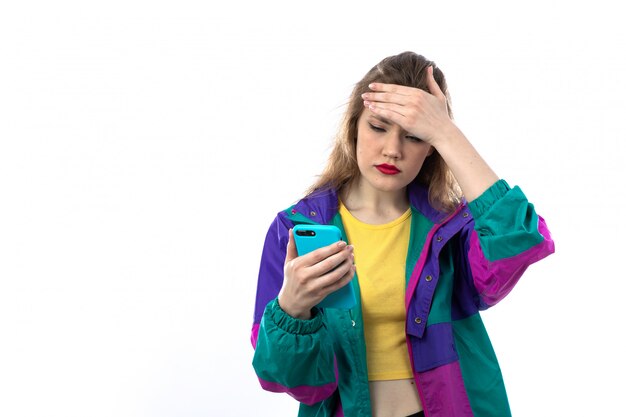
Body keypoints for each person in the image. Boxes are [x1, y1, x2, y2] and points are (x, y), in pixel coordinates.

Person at [250, 51, 555, 417]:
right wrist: (292, 309)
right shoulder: (295, 230)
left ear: (430, 149)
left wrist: (446, 131)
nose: (392, 150)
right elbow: (288, 381)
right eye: (378, 127)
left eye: (413, 136)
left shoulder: (452, 229)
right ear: (353, 128)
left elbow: (517, 241)